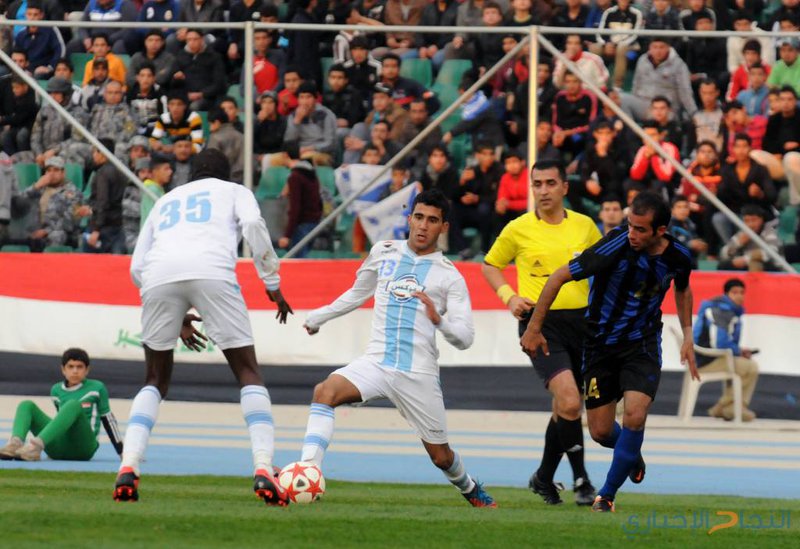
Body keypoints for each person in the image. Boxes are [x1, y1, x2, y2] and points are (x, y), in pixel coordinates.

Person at [115, 149, 293, 505]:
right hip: (212, 272)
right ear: (226, 173)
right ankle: (263, 466)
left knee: (154, 380)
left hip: (157, 277)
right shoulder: (234, 190)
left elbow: (136, 267)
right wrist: (272, 283)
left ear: (190, 174)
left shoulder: (166, 200)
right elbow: (253, 225)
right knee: (248, 372)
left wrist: (177, 312)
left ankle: (128, 465)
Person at [300, 188, 497, 508]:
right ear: (409, 219)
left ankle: (470, 487)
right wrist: (318, 317)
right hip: (376, 362)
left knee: (441, 457)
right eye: (418, 217)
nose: (423, 226)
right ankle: (308, 471)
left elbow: (465, 338)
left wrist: (439, 321)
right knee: (325, 391)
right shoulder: (384, 252)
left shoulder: (450, 277)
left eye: (432, 220)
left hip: (418, 374)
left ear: (444, 227)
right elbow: (357, 293)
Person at [521, 191, 698, 512]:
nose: (632, 234)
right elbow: (559, 276)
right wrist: (534, 328)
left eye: (640, 229)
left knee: (635, 415)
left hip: (642, 345)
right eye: (630, 225)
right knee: (602, 431)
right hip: (599, 347)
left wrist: (688, 334)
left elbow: (683, 288)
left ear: (661, 230)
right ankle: (630, 452)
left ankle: (606, 496)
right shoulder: (614, 245)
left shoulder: (679, 256)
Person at [482, 160, 602, 506]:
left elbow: (604, 265)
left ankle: (544, 477)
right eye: (537, 184)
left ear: (565, 187)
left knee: (565, 408)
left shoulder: (584, 226)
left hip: (582, 324)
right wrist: (509, 297)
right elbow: (490, 265)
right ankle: (581, 480)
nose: (543, 190)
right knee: (570, 401)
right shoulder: (518, 228)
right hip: (540, 325)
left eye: (550, 183)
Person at [0, 348, 123, 462]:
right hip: (60, 448)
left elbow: (108, 420)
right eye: (70, 367)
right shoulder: (56, 390)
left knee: (73, 405)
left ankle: (35, 446)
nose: (75, 371)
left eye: (79, 367)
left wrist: (122, 451)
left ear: (87, 370)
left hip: (85, 447)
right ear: (63, 369)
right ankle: (15, 444)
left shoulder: (97, 388)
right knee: (26, 405)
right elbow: (61, 421)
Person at [694, 278, 760, 422]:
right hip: (705, 360)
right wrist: (738, 351)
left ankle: (729, 407)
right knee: (751, 367)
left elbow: (721, 341)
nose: (739, 296)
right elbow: (720, 343)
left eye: (742, 292)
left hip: (706, 357)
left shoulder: (726, 310)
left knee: (742, 365)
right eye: (734, 292)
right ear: (726, 294)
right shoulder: (721, 311)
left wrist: (739, 351)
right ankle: (727, 407)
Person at [22, 155, 87, 252]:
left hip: (62, 233)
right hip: (36, 230)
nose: (51, 174)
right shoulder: (40, 188)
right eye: (48, 170)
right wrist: (36, 186)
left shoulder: (73, 193)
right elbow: (19, 202)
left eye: (56, 170)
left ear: (63, 173)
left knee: (57, 235)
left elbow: (70, 222)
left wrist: (46, 231)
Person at [718, 204, 783, 272]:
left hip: (771, 267)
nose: (751, 224)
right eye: (747, 221)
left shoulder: (770, 232)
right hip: (748, 265)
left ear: (761, 220)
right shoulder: (742, 233)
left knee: (756, 264)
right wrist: (738, 243)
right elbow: (723, 254)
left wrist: (746, 259)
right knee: (723, 265)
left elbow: (770, 253)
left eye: (754, 220)